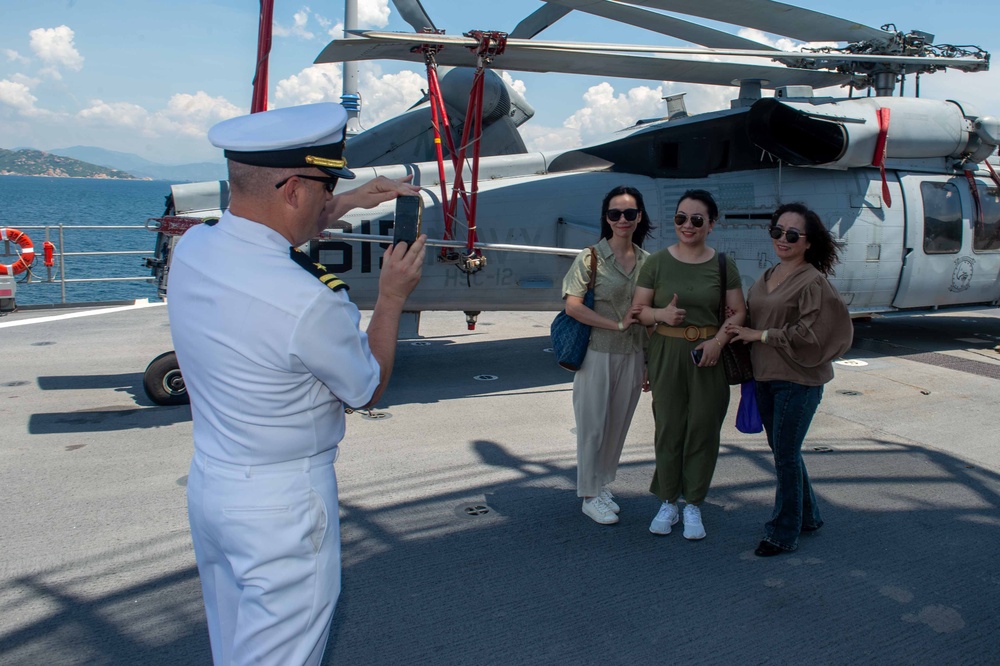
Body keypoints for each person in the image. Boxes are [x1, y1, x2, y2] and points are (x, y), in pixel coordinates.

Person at [167, 102, 426, 665]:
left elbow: (270, 237)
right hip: (281, 507)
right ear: (291, 190)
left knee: (237, 647)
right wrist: (392, 298)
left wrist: (353, 201)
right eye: (325, 185)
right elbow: (367, 387)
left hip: (215, 485)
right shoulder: (311, 299)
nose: (328, 197)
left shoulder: (196, 248)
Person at [725, 202, 853, 557]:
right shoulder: (769, 276)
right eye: (777, 231)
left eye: (792, 234)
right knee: (785, 452)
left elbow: (812, 333)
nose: (783, 238)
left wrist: (760, 336)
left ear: (808, 242)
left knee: (784, 455)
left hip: (799, 381)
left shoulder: (813, 282)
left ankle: (783, 532)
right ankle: (808, 515)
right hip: (766, 377)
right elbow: (758, 317)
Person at [632, 189, 746, 539]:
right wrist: (661, 313)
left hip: (708, 355)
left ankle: (693, 502)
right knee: (668, 427)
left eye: (697, 219)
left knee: (703, 427)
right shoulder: (656, 263)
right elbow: (638, 312)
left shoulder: (723, 265)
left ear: (711, 224)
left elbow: (739, 311)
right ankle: (668, 500)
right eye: (681, 218)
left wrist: (718, 341)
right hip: (667, 349)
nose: (688, 225)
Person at [562, 185, 653, 525]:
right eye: (615, 214)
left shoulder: (647, 262)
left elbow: (646, 316)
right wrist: (615, 324)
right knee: (593, 427)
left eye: (629, 213)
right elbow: (572, 307)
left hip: (632, 354)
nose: (622, 220)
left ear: (639, 217)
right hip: (597, 353)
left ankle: (601, 485)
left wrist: (647, 362)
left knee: (617, 426)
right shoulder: (591, 257)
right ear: (606, 218)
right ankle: (588, 494)